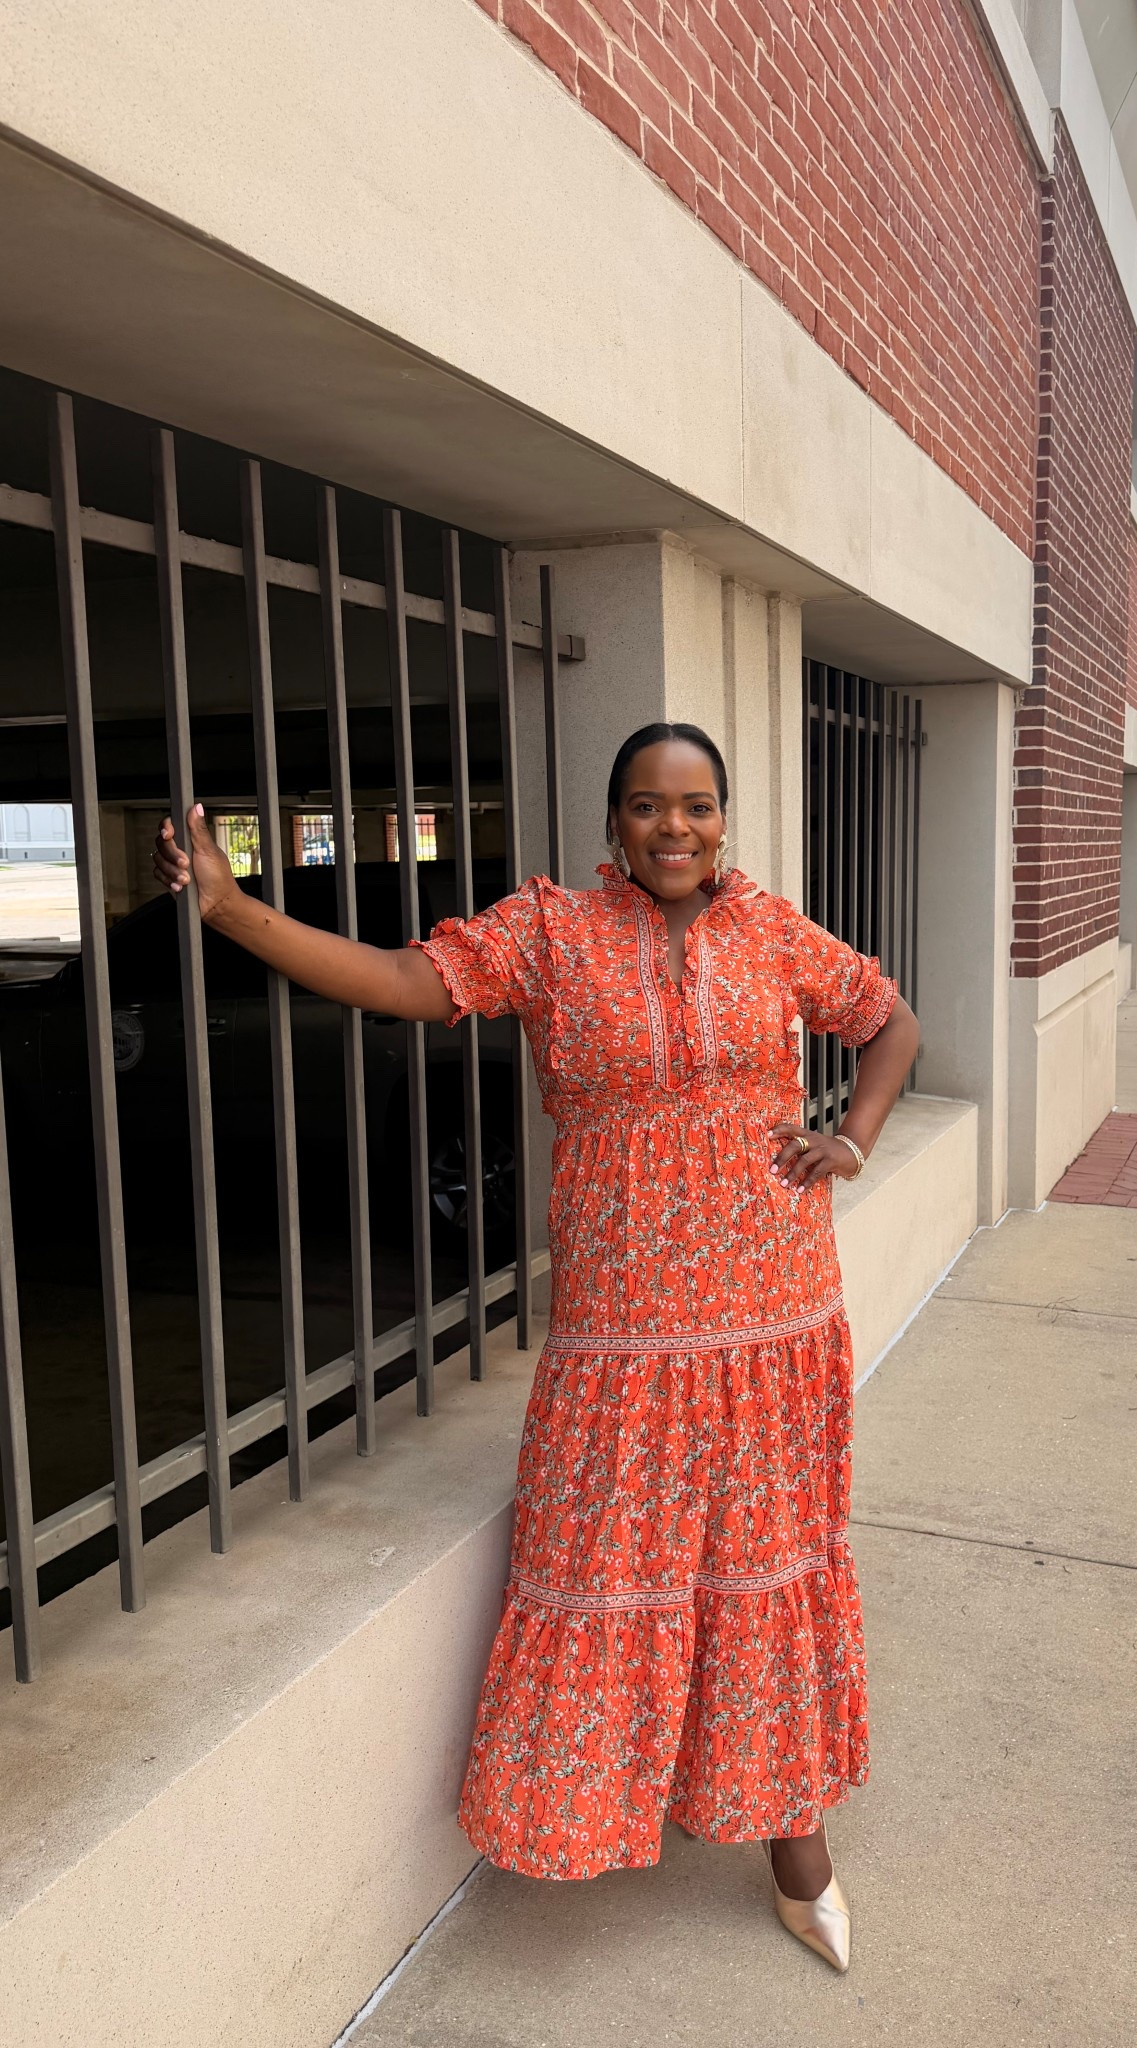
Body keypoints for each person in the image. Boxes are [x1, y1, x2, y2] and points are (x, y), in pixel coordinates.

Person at [153, 721, 919, 1973]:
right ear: (614, 820)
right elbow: (407, 981)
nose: (675, 827)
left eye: (697, 805)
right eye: (647, 805)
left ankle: (795, 1842)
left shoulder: (774, 930)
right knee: (609, 1557)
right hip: (623, 1334)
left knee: (762, 1566)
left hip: (774, 1311)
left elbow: (890, 1022)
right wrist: (238, 913)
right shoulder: (552, 933)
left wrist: (857, 1136)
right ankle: (612, 1802)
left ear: (725, 816)